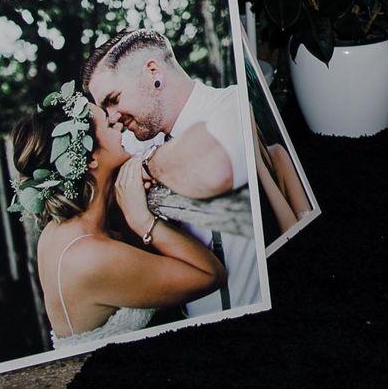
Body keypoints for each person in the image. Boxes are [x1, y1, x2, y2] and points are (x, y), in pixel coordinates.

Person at [9, 86, 225, 351]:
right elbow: (211, 275)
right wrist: (144, 222)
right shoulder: (89, 256)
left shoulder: (59, 230)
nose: (116, 119)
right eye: (107, 123)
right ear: (88, 160)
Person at [83, 29, 261, 316]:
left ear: (153, 70)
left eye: (113, 99)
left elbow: (213, 167)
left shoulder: (230, 105)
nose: (112, 118)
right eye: (105, 109)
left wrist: (146, 163)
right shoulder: (137, 137)